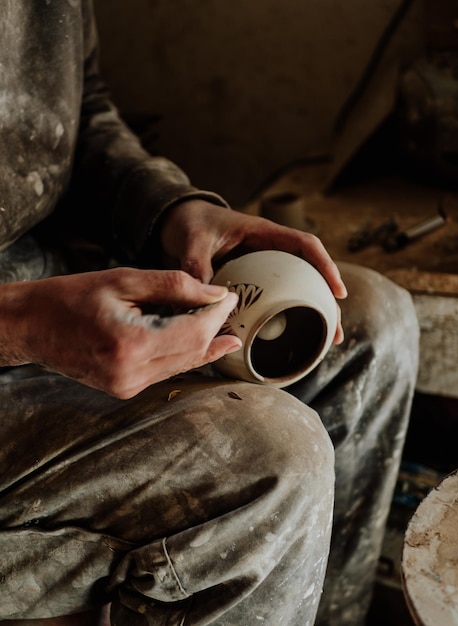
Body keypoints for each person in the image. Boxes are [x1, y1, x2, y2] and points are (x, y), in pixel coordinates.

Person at [0, 1, 419, 625]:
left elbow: (75, 117)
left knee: (373, 321)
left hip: (54, 280)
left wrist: (173, 209)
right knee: (274, 458)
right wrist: (23, 322)